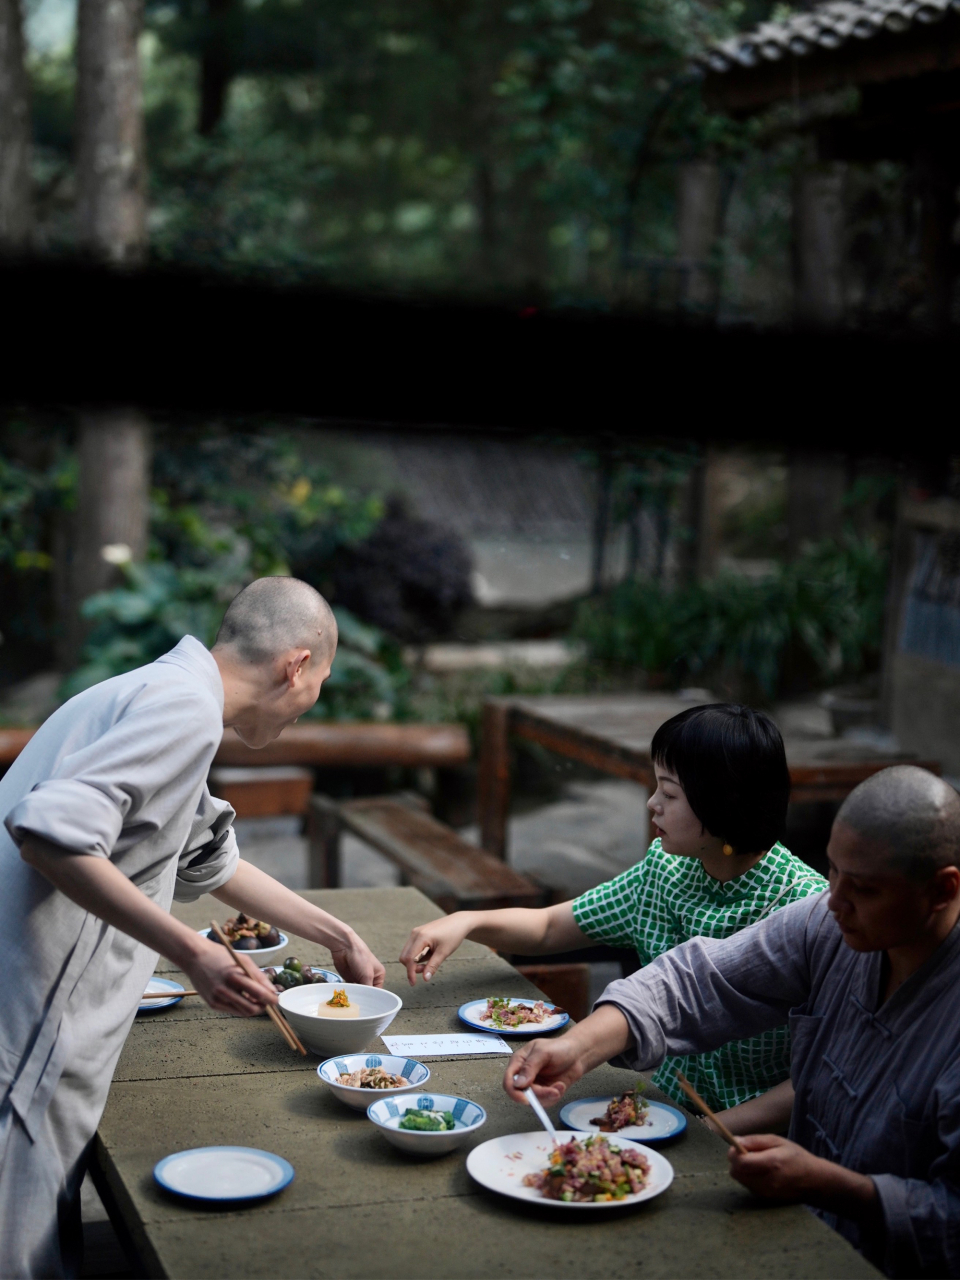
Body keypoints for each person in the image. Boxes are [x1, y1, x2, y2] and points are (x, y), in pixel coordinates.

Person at [0, 576, 385, 1278]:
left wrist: (338, 936)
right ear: (296, 665)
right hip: (22, 1041)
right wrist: (194, 954)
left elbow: (209, 860)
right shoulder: (183, 710)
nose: (311, 703)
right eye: (320, 681)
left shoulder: (165, 694)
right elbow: (48, 833)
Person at [505, 765, 960, 1279]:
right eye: (832, 872)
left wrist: (831, 1185)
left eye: (866, 890)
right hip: (795, 1236)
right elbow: (697, 981)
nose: (836, 900)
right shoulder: (827, 925)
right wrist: (578, 1047)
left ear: (943, 890)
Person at [400, 703, 826, 1130]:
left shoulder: (804, 907)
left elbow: (817, 1077)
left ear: (723, 804)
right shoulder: (667, 870)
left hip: (754, 1140)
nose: (652, 803)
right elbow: (551, 927)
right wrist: (466, 922)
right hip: (663, 1109)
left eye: (670, 793)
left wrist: (711, 1132)